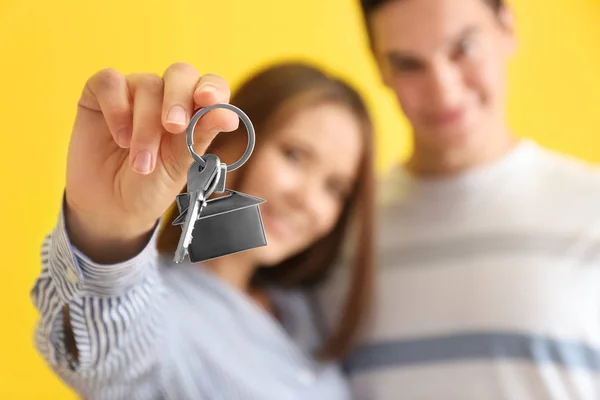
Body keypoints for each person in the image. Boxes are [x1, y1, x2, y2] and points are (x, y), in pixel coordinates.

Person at [30, 61, 376, 399]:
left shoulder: (305, 310)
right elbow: (106, 350)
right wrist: (111, 229)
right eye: (294, 156)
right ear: (221, 145)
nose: (307, 200)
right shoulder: (163, 310)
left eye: (335, 187)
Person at [313, 0, 600, 399]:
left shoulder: (592, 210)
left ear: (508, 27)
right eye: (408, 64)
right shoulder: (331, 231)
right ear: (379, 67)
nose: (443, 91)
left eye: (463, 48)